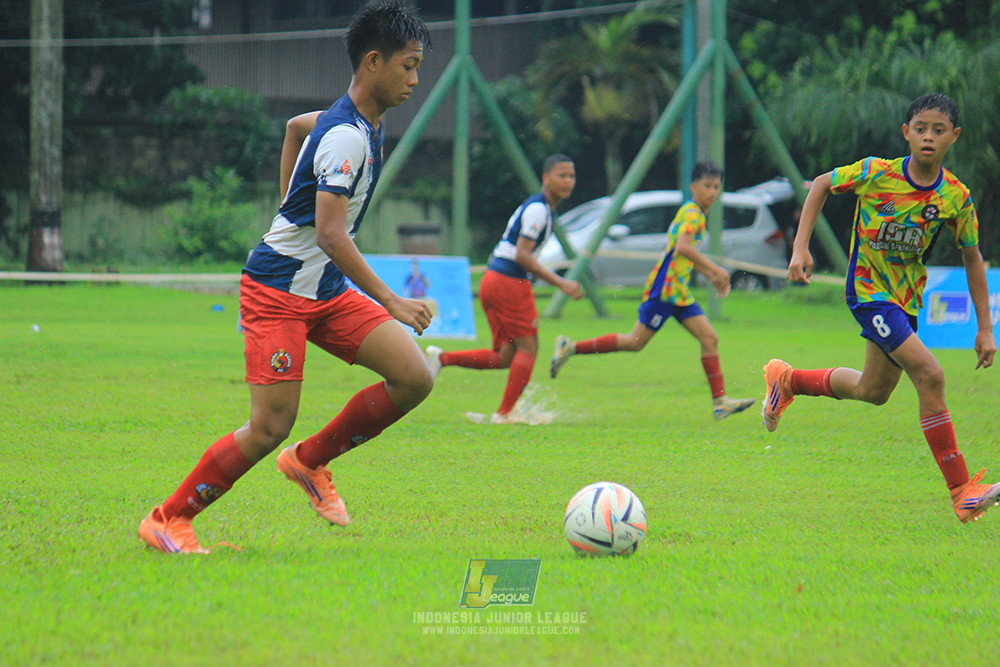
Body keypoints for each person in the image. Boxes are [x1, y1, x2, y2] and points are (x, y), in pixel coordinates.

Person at [138, 1, 435, 554]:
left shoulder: (356, 120)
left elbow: (297, 128)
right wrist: (392, 300)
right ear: (373, 62)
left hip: (324, 290)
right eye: (409, 66)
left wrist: (285, 202)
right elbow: (329, 235)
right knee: (269, 426)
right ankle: (168, 518)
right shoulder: (348, 135)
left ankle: (310, 461)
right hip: (278, 292)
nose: (416, 80)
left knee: (414, 376)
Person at [763, 92, 999, 523]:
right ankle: (962, 490)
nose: (929, 137)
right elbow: (820, 184)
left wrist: (985, 328)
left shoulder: (955, 197)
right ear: (906, 133)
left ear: (954, 138)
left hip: (905, 300)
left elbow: (972, 257)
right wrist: (800, 248)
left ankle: (788, 381)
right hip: (868, 292)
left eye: (939, 130)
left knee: (873, 391)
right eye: (921, 128)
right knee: (930, 374)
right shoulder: (877, 173)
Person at [549, 161, 756, 421]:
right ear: (694, 187)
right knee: (635, 342)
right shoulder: (693, 214)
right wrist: (715, 269)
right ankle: (571, 347)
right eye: (707, 186)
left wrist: (711, 275)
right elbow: (682, 248)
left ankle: (720, 402)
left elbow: (682, 256)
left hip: (678, 292)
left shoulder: (695, 213)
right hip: (665, 290)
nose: (712, 191)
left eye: (716, 186)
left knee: (709, 339)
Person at [424, 154, 584, 423]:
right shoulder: (538, 209)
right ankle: (505, 414)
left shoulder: (543, 208)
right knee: (529, 347)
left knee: (505, 356)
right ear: (545, 178)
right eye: (561, 175)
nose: (568, 181)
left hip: (494, 279)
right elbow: (523, 255)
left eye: (571, 176)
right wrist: (561, 282)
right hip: (509, 281)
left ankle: (442, 359)